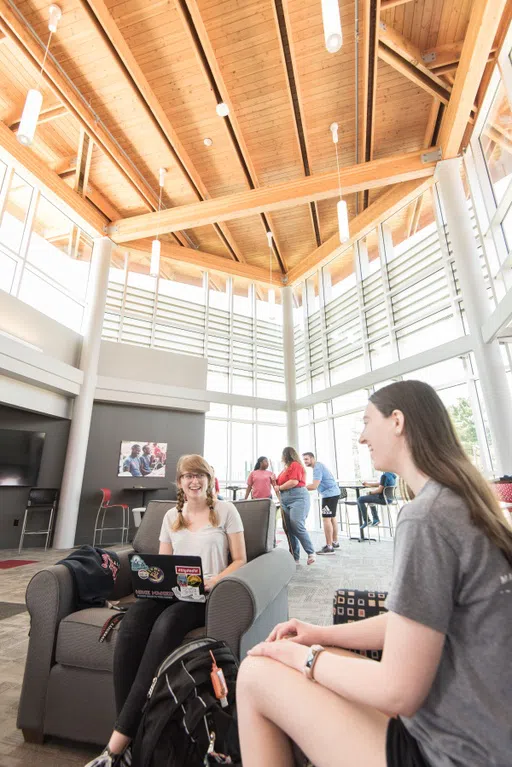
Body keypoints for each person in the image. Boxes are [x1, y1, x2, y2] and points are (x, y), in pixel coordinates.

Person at [235, 380, 512, 767]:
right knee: (310, 654)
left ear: (396, 421)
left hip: (453, 752)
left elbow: (398, 691)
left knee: (255, 672)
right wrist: (318, 636)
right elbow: (411, 623)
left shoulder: (426, 517)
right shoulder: (465, 501)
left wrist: (304, 659)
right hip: (483, 729)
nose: (362, 437)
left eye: (367, 422)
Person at [85, 454, 247, 767]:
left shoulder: (226, 511)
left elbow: (240, 559)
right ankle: (131, 732)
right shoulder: (171, 515)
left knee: (165, 626)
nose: (194, 481)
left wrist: (213, 580)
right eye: (188, 476)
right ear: (180, 482)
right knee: (132, 624)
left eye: (200, 475)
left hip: (204, 595)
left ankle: (116, 747)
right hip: (170, 591)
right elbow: (163, 565)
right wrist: (151, 581)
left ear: (209, 480)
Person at [276, 447, 315, 565]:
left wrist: (280, 487)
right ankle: (295, 558)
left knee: (296, 524)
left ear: (286, 455)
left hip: (298, 497)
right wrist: (274, 481)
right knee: (288, 528)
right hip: (285, 499)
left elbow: (294, 482)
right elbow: (277, 484)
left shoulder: (295, 465)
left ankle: (311, 552)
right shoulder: (284, 469)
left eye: (283, 455)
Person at [303, 452, 341, 554]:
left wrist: (300, 487)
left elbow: (314, 486)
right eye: (304, 460)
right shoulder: (319, 466)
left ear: (312, 458)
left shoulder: (317, 468)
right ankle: (335, 542)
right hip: (333, 493)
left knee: (326, 519)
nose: (305, 462)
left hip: (329, 495)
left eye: (306, 459)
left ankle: (329, 547)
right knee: (332, 518)